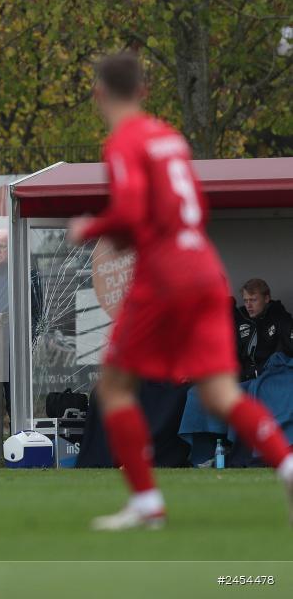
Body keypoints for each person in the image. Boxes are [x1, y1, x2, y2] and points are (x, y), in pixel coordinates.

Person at [66, 52, 293, 530]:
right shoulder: (170, 138)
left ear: (99, 94)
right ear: (146, 91)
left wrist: (91, 227)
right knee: (218, 393)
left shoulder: (124, 141)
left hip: (164, 276)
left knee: (114, 387)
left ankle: (147, 502)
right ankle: (288, 467)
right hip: (206, 270)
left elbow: (128, 215)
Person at [234, 278, 293, 381]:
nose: (248, 305)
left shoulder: (279, 316)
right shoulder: (240, 317)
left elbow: (287, 347)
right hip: (243, 379)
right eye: (245, 300)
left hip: (270, 376)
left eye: (253, 300)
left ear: (266, 298)